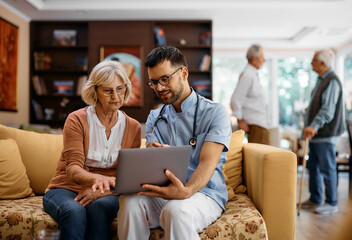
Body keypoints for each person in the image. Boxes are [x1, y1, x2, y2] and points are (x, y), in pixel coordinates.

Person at [116, 46, 232, 240]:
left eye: (164, 79)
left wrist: (186, 191)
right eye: (153, 82)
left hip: (203, 194)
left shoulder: (215, 113)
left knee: (176, 211)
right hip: (166, 191)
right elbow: (153, 168)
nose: (159, 88)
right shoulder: (155, 116)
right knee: (129, 203)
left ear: (183, 73)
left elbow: (207, 164)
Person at [43, 60, 142, 240]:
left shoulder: (133, 127)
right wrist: (100, 179)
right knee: (74, 211)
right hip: (66, 188)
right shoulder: (76, 120)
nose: (116, 96)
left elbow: (129, 179)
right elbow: (72, 170)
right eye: (107, 90)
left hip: (108, 193)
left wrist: (101, 190)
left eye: (120, 89)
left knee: (100, 208)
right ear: (94, 91)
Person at [302, 49, 345, 214]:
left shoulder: (332, 80)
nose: (311, 63)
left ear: (323, 63)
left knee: (327, 168)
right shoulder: (321, 80)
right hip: (317, 135)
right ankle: (315, 199)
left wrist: (314, 125)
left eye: (314, 60)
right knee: (313, 167)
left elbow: (328, 110)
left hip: (325, 133)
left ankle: (332, 202)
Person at [230, 44, 269, 144]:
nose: (264, 60)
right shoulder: (248, 75)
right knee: (261, 157)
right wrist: (240, 120)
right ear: (254, 59)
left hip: (260, 123)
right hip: (255, 123)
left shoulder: (253, 74)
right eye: (262, 57)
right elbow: (236, 99)